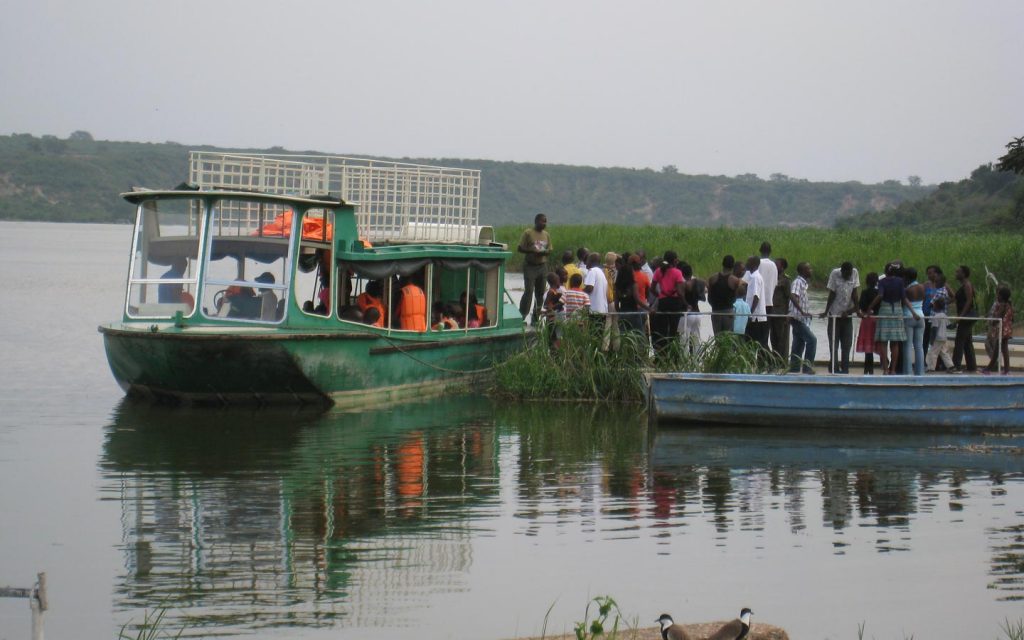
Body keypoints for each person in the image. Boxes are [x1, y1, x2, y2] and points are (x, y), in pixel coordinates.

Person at [868, 263, 919, 374]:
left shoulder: (882, 282)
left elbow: (880, 295)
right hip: (897, 311)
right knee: (895, 343)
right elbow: (904, 299)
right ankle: (893, 370)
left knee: (883, 342)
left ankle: (886, 369)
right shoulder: (900, 282)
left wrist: (870, 307)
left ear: (886, 271)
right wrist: (913, 312)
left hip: (885, 310)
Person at [822, 261, 860, 374]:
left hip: (847, 315)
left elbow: (855, 293)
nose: (847, 276)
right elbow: (832, 293)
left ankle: (845, 369)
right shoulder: (834, 273)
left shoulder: (855, 273)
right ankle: (834, 367)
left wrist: (856, 310)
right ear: (842, 271)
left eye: (849, 275)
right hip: (834, 315)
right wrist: (826, 311)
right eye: (845, 275)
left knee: (847, 344)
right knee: (833, 343)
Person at [517, 213, 551, 322]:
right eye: (542, 221)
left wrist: (546, 252)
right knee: (529, 292)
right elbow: (520, 248)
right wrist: (532, 251)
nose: (544, 223)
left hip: (542, 266)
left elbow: (550, 249)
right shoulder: (528, 233)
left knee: (540, 294)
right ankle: (522, 316)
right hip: (530, 266)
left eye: (545, 221)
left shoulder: (546, 235)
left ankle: (536, 318)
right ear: (536, 221)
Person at [651, 250, 686, 354]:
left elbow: (652, 288)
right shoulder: (677, 272)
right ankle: (673, 355)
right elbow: (679, 292)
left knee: (662, 330)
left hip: (663, 302)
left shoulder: (658, 271)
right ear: (675, 261)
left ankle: (661, 354)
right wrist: (686, 303)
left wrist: (660, 295)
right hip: (675, 303)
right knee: (673, 330)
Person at [788, 262, 816, 373]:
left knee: (798, 344)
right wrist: (802, 311)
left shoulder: (803, 284)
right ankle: (807, 368)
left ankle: (794, 369)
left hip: (801, 319)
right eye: (809, 268)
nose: (811, 270)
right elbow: (793, 297)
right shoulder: (798, 282)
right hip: (797, 318)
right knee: (812, 340)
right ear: (803, 271)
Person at [952, 265, 978, 372]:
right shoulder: (963, 285)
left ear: (963, 274)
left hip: (967, 316)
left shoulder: (967, 285)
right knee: (967, 341)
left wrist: (961, 316)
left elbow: (969, 301)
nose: (956, 274)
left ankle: (956, 365)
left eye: (958, 272)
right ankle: (972, 366)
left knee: (960, 340)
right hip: (967, 315)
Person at [983, 285, 1013, 374]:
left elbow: (998, 317)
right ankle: (990, 368)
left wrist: (992, 322)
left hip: (1002, 330)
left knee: (1002, 349)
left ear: (1002, 296)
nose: (997, 297)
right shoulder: (1008, 305)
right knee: (999, 349)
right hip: (1006, 329)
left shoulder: (1003, 305)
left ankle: (1004, 369)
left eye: (998, 295)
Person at [902, 267, 926, 375]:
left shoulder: (907, 290)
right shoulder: (922, 287)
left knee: (907, 345)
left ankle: (907, 371)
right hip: (921, 316)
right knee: (919, 346)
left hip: (909, 316)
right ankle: (920, 371)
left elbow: (904, 302)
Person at [855, 272, 881, 374]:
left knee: (867, 346)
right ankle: (878, 366)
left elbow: (861, 305)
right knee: (876, 344)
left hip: (867, 320)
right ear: (876, 281)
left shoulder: (865, 292)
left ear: (866, 281)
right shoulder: (879, 292)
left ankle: (867, 369)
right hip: (877, 319)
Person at [707, 255, 739, 336]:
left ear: (722, 264)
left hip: (715, 311)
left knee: (717, 338)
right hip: (728, 312)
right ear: (733, 266)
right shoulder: (734, 280)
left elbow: (709, 298)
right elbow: (735, 298)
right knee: (728, 339)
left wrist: (715, 306)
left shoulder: (712, 278)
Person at [743, 255, 769, 349]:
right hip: (756, 316)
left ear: (753, 264)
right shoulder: (754, 276)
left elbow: (756, 297)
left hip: (756, 317)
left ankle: (768, 362)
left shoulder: (755, 277)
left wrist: (750, 314)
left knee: (755, 344)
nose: (746, 263)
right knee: (758, 344)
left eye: (748, 262)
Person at [680, 262, 705, 352]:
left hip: (687, 314)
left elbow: (681, 296)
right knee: (696, 339)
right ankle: (697, 360)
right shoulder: (699, 282)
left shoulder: (684, 284)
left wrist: (686, 304)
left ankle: (685, 360)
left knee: (684, 339)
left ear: (682, 273)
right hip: (697, 313)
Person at [925, 297, 955, 372]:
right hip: (944, 338)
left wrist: (931, 340)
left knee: (933, 353)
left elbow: (934, 329)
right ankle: (951, 366)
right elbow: (949, 326)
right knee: (944, 352)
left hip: (937, 338)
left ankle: (931, 368)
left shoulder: (935, 317)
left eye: (933, 305)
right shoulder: (944, 316)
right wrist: (955, 324)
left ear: (936, 306)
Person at [771, 258, 791, 359]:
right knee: (773, 339)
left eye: (776, 264)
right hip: (772, 312)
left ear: (782, 267)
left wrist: (788, 314)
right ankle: (774, 361)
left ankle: (782, 362)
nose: (774, 266)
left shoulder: (786, 280)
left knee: (782, 339)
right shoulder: (772, 277)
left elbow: (789, 298)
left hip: (781, 313)